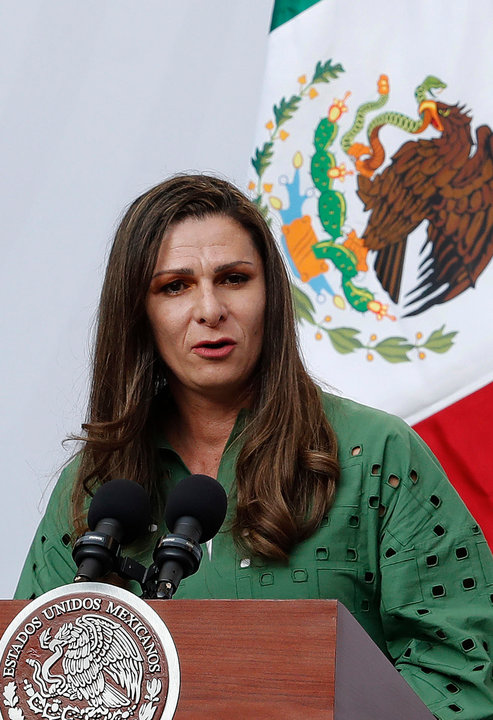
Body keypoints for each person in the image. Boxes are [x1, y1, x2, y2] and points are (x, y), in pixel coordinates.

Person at [15, 174, 493, 719]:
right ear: (138, 313)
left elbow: (461, 677)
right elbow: (30, 679)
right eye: (174, 286)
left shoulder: (377, 455)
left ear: (271, 295)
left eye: (234, 278)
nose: (210, 309)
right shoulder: (96, 486)